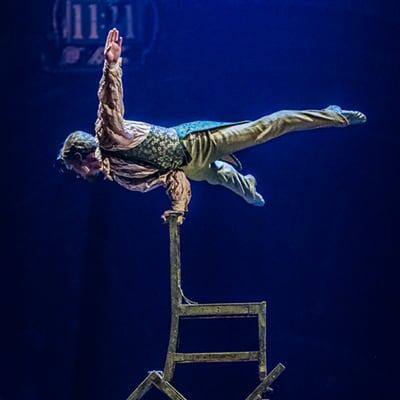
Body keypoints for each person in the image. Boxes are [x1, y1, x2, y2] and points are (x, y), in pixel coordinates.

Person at [58, 28, 366, 223]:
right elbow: (171, 177)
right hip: (189, 166)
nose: (80, 175)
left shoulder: (108, 138)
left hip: (195, 143)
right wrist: (179, 209)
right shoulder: (122, 177)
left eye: (76, 168)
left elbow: (110, 104)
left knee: (268, 126)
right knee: (227, 180)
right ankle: (248, 187)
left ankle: (332, 115)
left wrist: (112, 65)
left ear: (83, 157)